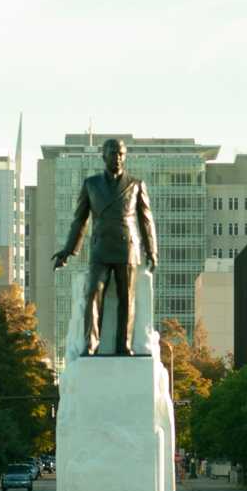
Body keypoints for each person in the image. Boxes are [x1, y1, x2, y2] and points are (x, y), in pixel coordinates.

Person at [54, 136, 158, 356]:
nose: (118, 158)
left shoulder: (136, 184)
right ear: (103, 156)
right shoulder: (91, 184)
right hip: (100, 248)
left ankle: (124, 345)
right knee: (92, 293)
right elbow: (79, 220)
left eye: (121, 154)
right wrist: (68, 250)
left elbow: (146, 221)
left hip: (127, 247)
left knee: (126, 298)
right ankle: (90, 344)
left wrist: (152, 251)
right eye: (113, 153)